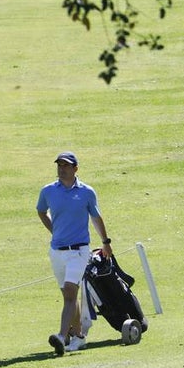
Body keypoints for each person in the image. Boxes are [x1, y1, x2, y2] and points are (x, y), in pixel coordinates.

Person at [36, 151, 113, 356]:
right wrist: (54, 230)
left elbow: (96, 218)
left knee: (70, 292)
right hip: (57, 251)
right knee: (68, 296)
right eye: (59, 165)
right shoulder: (48, 191)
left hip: (79, 250)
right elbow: (41, 211)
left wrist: (105, 242)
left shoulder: (86, 192)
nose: (62, 169)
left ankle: (61, 337)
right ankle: (78, 337)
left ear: (75, 168)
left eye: (66, 165)